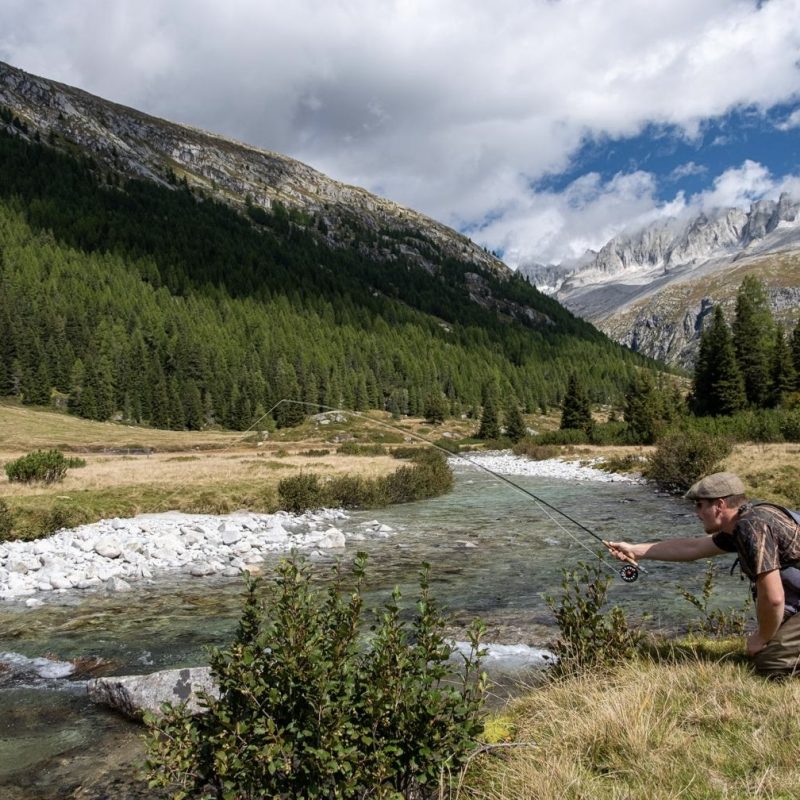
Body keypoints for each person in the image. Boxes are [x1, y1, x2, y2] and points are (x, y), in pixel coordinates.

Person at [605, 471, 800, 677]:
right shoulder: (746, 520)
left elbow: (774, 599)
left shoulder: (751, 527)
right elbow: (693, 548)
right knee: (769, 643)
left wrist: (760, 637)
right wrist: (635, 550)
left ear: (720, 505)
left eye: (699, 505)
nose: (696, 512)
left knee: (771, 663)